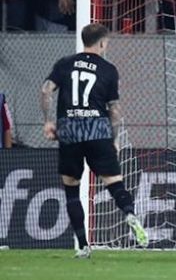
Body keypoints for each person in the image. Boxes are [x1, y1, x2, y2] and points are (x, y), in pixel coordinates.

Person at [40, 23, 150, 258]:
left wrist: (48, 121)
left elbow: (46, 90)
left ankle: (83, 246)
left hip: (70, 131)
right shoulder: (108, 69)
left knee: (71, 190)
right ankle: (129, 213)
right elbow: (115, 110)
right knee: (115, 183)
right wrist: (115, 139)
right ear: (101, 43)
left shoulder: (64, 63)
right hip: (98, 130)